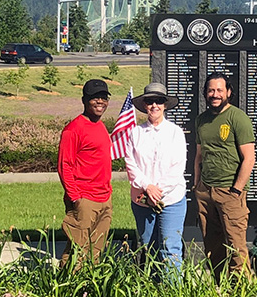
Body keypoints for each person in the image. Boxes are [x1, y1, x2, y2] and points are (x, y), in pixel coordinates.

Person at [193, 72, 255, 278]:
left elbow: (249, 157)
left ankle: (243, 287)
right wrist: (197, 185)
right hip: (205, 191)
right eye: (211, 90)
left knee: (236, 244)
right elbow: (199, 155)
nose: (215, 94)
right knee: (212, 244)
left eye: (220, 90)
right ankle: (220, 284)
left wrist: (237, 189)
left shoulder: (238, 118)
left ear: (228, 92)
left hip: (230, 191)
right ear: (205, 93)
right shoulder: (201, 120)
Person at [124, 83, 187, 274]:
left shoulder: (175, 132)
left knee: (170, 249)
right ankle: (152, 289)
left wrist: (158, 191)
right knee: (149, 249)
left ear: (165, 105)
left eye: (158, 101)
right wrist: (147, 187)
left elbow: (177, 167)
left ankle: (172, 290)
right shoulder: (135, 133)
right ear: (144, 105)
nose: (154, 105)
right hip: (142, 201)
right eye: (150, 101)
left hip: (171, 200)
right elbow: (131, 164)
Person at [57, 79, 113, 267]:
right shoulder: (73, 129)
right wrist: (75, 198)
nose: (100, 102)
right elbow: (65, 166)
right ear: (84, 100)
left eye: (104, 98)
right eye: (94, 98)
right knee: (76, 251)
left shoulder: (100, 126)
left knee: (95, 252)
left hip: (104, 198)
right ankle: (66, 289)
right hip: (84, 200)